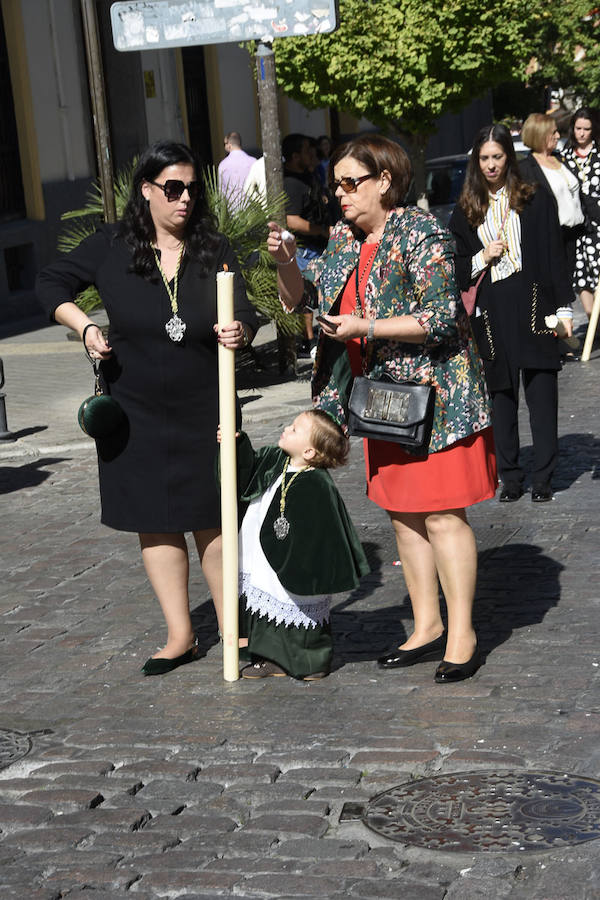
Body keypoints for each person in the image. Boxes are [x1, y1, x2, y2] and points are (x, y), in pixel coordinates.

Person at [269, 134, 496, 684]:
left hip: (437, 401)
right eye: (336, 184)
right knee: (404, 515)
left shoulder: (422, 233)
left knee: (443, 514)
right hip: (382, 404)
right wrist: (284, 263)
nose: (340, 194)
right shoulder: (346, 238)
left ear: (385, 181)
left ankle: (461, 633)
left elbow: (442, 318)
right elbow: (305, 299)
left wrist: (365, 326)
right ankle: (425, 626)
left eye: (352, 182)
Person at [36, 140, 258, 676]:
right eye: (173, 189)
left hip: (206, 406)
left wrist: (241, 330)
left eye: (191, 190)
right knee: (155, 521)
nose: (184, 200)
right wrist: (84, 326)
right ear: (147, 190)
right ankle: (180, 634)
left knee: (213, 517)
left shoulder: (213, 246)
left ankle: (232, 631)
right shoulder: (112, 245)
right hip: (134, 410)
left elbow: (247, 310)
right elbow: (51, 282)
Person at [449, 124, 573, 505]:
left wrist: (563, 308)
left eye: (497, 157)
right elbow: (454, 268)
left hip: (534, 296)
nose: (490, 165)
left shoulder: (533, 199)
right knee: (500, 393)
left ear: (509, 156)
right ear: (476, 160)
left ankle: (543, 477)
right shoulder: (466, 208)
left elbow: (554, 254)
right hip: (491, 305)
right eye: (484, 158)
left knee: (541, 389)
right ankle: (511, 477)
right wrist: (481, 257)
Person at [219, 410, 369, 680]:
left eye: (296, 429)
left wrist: (306, 561)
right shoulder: (276, 459)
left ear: (310, 452)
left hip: (295, 557)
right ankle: (270, 657)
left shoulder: (317, 483)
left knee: (295, 603)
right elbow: (246, 474)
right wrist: (235, 445)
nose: (287, 428)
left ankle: (309, 661)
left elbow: (325, 530)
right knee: (265, 596)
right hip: (262, 553)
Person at [520, 113, 584, 296]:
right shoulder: (525, 169)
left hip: (577, 236)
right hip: (553, 240)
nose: (558, 136)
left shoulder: (562, 159)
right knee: (558, 295)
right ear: (540, 134)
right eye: (553, 132)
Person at [282, 133, 331, 358]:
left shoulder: (309, 176)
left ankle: (316, 338)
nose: (313, 155)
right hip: (304, 247)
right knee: (305, 297)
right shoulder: (291, 183)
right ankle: (308, 341)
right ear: (294, 156)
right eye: (307, 151)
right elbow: (290, 219)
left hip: (318, 245)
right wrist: (320, 230)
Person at [562, 108, 600, 320]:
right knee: (581, 277)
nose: (582, 133)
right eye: (578, 128)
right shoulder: (564, 157)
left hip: (599, 226)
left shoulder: (599, 155)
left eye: (587, 129)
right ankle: (593, 320)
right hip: (576, 228)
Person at [218, 132, 257, 208]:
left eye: (224, 144)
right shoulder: (253, 161)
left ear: (229, 145)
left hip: (232, 209)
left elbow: (221, 191)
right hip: (252, 209)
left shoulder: (223, 165)